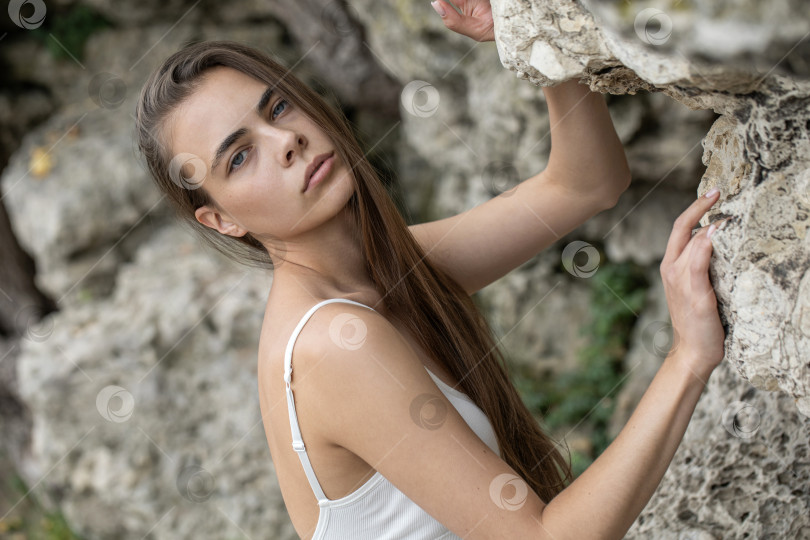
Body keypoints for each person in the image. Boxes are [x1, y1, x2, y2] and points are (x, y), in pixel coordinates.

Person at [134, 1, 728, 538]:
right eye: (239, 157)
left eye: (279, 106)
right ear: (220, 220)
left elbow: (586, 183)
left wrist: (533, 37)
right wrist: (687, 358)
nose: (285, 140)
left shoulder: (390, 269)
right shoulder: (332, 347)